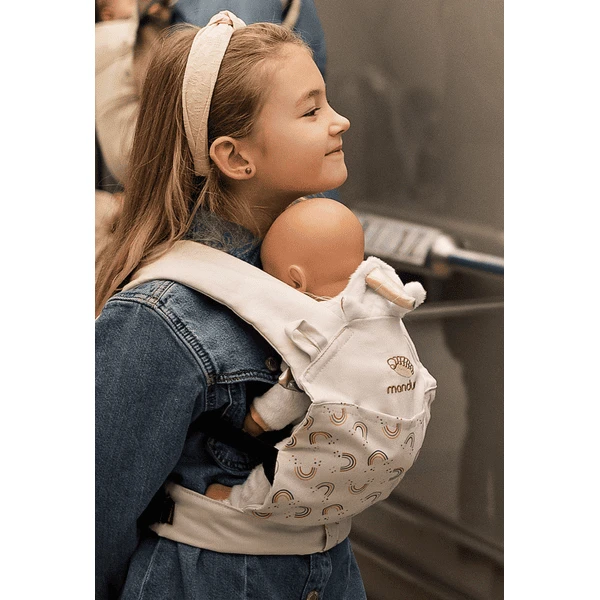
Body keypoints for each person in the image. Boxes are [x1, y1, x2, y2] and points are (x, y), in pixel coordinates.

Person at [95, 11, 366, 599]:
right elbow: (93, 520)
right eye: (311, 110)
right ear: (236, 158)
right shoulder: (158, 318)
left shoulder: (320, 274)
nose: (339, 120)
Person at [204, 197, 366, 504]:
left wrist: (256, 421)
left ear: (295, 281)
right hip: (386, 437)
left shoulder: (318, 332)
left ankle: (238, 500)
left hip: (333, 443)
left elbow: (290, 395)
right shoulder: (377, 305)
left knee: (285, 467)